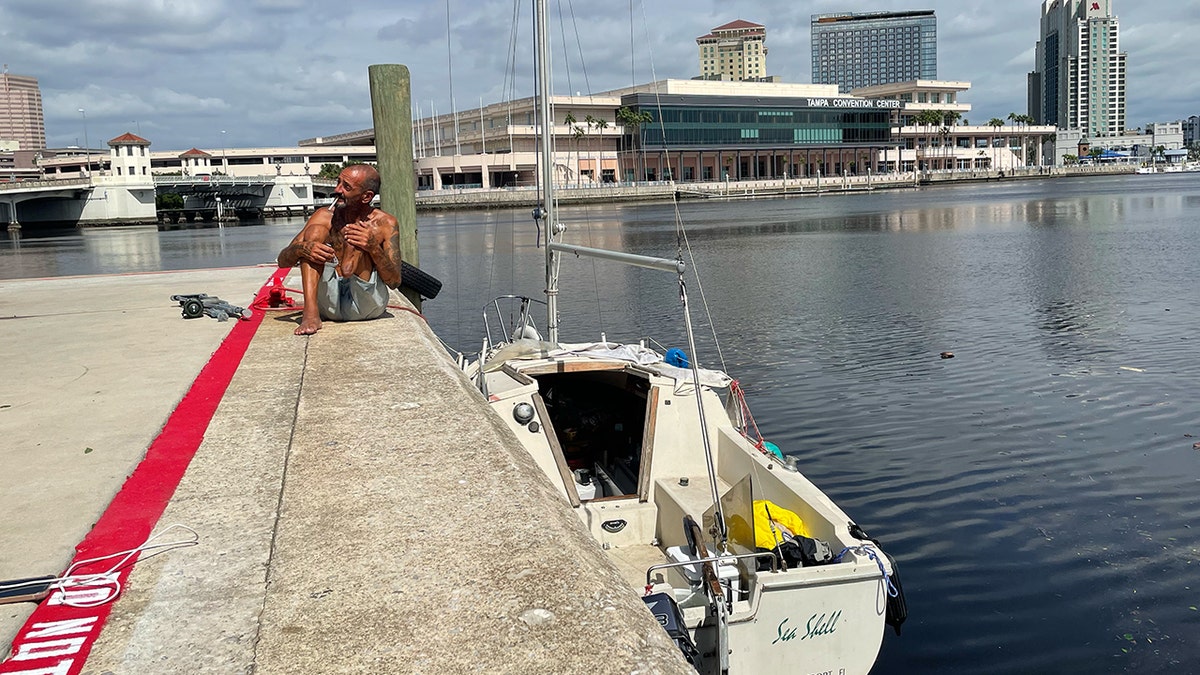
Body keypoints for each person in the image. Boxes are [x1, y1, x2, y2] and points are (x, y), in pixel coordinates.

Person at [277, 164, 401, 335]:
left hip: (365, 305)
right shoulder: (324, 216)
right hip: (327, 305)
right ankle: (310, 314)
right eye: (338, 182)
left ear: (366, 196)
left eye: (346, 187)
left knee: (361, 237)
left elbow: (394, 281)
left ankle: (355, 254)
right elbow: (282, 262)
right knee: (315, 232)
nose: (337, 189)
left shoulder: (386, 223)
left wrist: (373, 248)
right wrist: (301, 249)